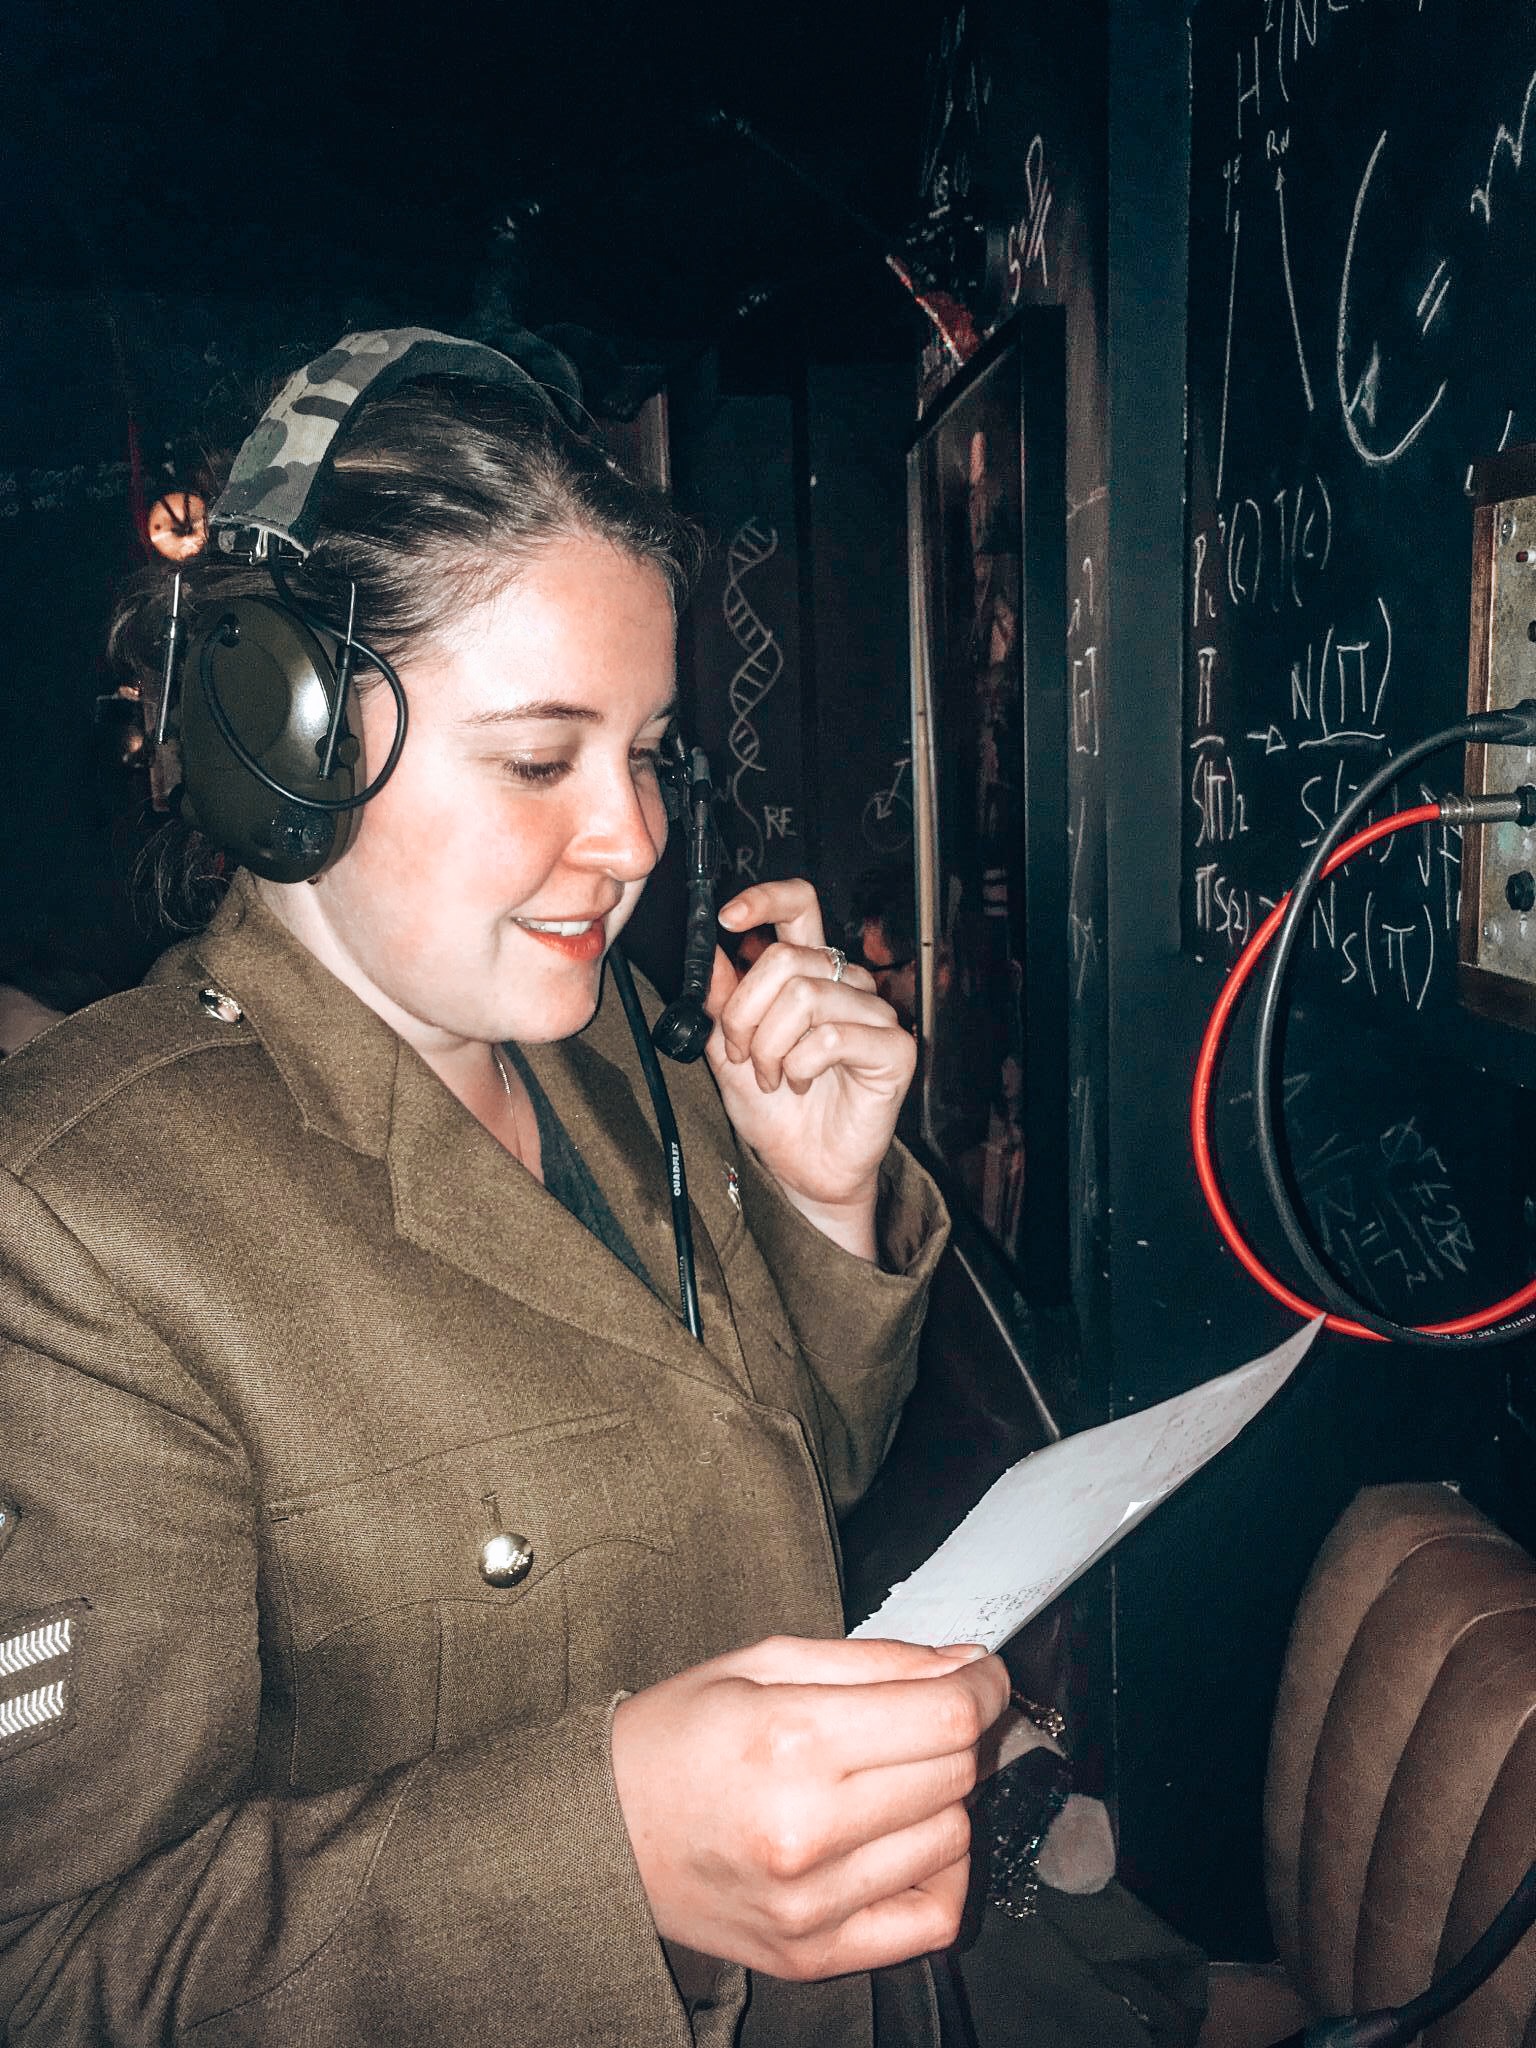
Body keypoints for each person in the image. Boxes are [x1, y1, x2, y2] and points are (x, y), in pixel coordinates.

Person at [0, 345, 1013, 2046]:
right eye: (543, 760)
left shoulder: (611, 1047)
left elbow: (763, 1491)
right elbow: (51, 1971)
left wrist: (823, 1211)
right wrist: (610, 1857)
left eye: (650, 753)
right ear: (283, 742)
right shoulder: (79, 1226)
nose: (630, 838)